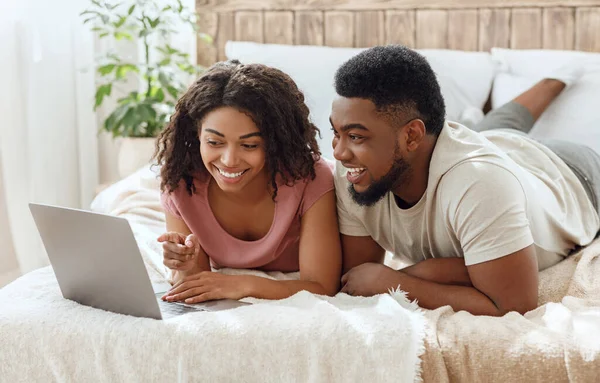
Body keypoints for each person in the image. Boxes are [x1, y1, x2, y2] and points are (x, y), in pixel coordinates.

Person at [330, 45, 600, 316]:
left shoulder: (480, 184)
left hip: (571, 173)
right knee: (500, 124)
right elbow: (356, 279)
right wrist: (433, 270)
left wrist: (398, 281)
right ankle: (478, 121)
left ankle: (559, 78)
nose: (339, 153)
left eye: (355, 136)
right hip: (491, 145)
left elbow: (513, 305)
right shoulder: (355, 171)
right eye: (336, 132)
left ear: (412, 136)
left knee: (502, 130)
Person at [153, 60, 342, 304]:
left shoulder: (310, 178)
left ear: (274, 143)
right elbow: (197, 283)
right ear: (196, 134)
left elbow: (322, 286)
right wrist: (184, 263)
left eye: (250, 145)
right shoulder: (181, 182)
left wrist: (243, 284)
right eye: (214, 142)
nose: (229, 160)